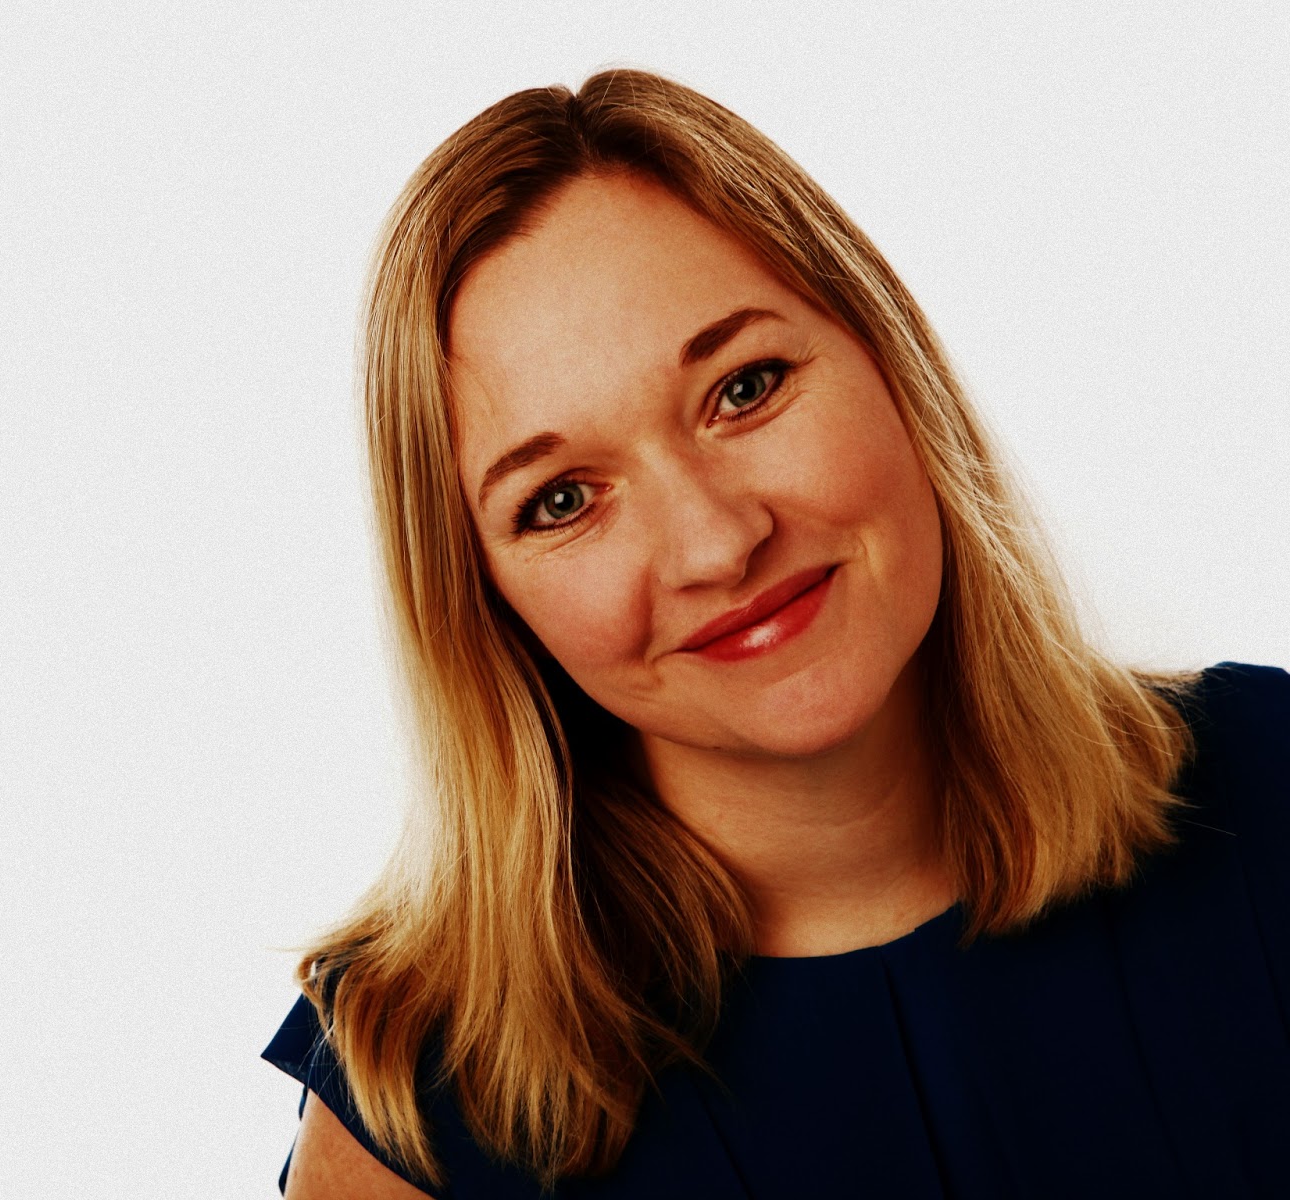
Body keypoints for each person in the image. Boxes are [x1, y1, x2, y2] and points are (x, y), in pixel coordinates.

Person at [261, 68, 1290, 1199]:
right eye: (561, 500)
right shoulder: (415, 1099)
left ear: (890, 359)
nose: (716, 543)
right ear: (480, 595)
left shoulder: (1272, 782)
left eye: (744, 389)